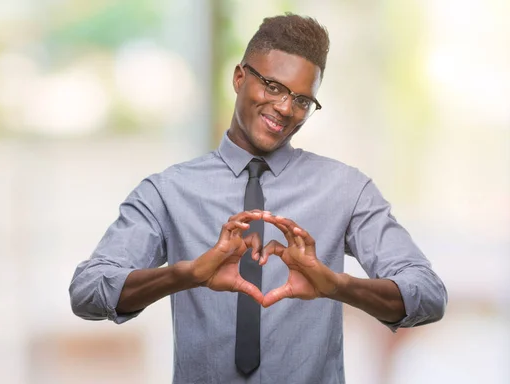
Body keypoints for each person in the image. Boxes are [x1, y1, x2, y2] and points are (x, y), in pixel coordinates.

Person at [69, 13, 447, 384]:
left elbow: (428, 294)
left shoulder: (346, 189)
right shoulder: (167, 192)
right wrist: (186, 274)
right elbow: (87, 291)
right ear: (239, 78)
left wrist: (338, 286)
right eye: (273, 86)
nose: (285, 108)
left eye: (302, 100)